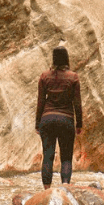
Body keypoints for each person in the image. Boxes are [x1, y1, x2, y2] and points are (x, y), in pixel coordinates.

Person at [35, 45, 82, 188]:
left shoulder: (44, 76)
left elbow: (41, 101)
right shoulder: (73, 77)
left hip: (47, 119)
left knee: (47, 156)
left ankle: (46, 190)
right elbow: (77, 103)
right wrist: (79, 124)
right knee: (66, 157)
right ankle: (65, 186)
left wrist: (37, 123)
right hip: (66, 120)